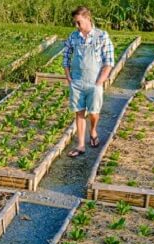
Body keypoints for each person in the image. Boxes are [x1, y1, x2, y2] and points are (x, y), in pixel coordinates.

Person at [64, 6, 114, 157]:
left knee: (93, 113)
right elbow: (66, 57)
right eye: (75, 22)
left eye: (78, 22)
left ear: (87, 18)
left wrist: (99, 82)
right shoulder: (74, 37)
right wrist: (69, 77)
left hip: (94, 83)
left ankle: (92, 130)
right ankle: (80, 145)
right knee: (79, 112)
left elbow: (109, 62)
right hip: (77, 81)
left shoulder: (101, 36)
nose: (76, 25)